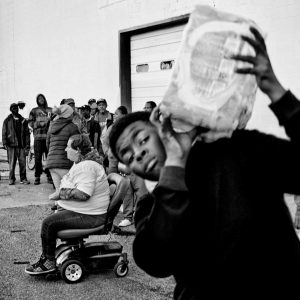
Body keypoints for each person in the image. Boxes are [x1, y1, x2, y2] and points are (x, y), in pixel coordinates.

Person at [109, 27, 300, 298]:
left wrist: (275, 89)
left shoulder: (237, 149)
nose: (137, 154)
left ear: (163, 128)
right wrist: (175, 163)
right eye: (127, 155)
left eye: (141, 140)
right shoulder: (152, 208)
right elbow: (155, 260)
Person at [25, 134, 110, 275]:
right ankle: (48, 258)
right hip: (88, 212)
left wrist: (60, 195)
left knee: (48, 223)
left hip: (91, 216)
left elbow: (83, 194)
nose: (65, 150)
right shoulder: (82, 163)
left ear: (77, 150)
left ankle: (49, 262)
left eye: (68, 147)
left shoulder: (87, 166)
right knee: (51, 220)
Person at [46, 104, 79, 200]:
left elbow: (47, 144)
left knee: (59, 191)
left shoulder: (52, 126)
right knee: (68, 192)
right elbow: (77, 144)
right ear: (68, 115)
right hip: (64, 163)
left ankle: (58, 210)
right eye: (72, 113)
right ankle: (65, 212)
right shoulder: (72, 127)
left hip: (51, 163)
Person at [2, 103, 30, 185]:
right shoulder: (7, 120)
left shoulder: (23, 120)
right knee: (11, 164)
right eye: (13, 108)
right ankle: (11, 179)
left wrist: (27, 145)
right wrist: (4, 142)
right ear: (11, 109)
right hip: (11, 146)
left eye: (16, 108)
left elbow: (27, 134)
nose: (15, 109)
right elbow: (4, 132)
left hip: (21, 146)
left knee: (23, 163)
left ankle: (23, 179)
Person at [28, 94, 53, 185]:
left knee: (49, 158)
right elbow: (30, 123)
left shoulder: (50, 110)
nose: (41, 99)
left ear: (45, 99)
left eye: (42, 98)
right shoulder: (34, 110)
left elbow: (55, 120)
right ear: (37, 100)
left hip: (48, 138)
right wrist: (41, 124)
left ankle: (49, 176)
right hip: (38, 138)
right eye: (39, 98)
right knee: (37, 158)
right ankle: (37, 176)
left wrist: (50, 120)